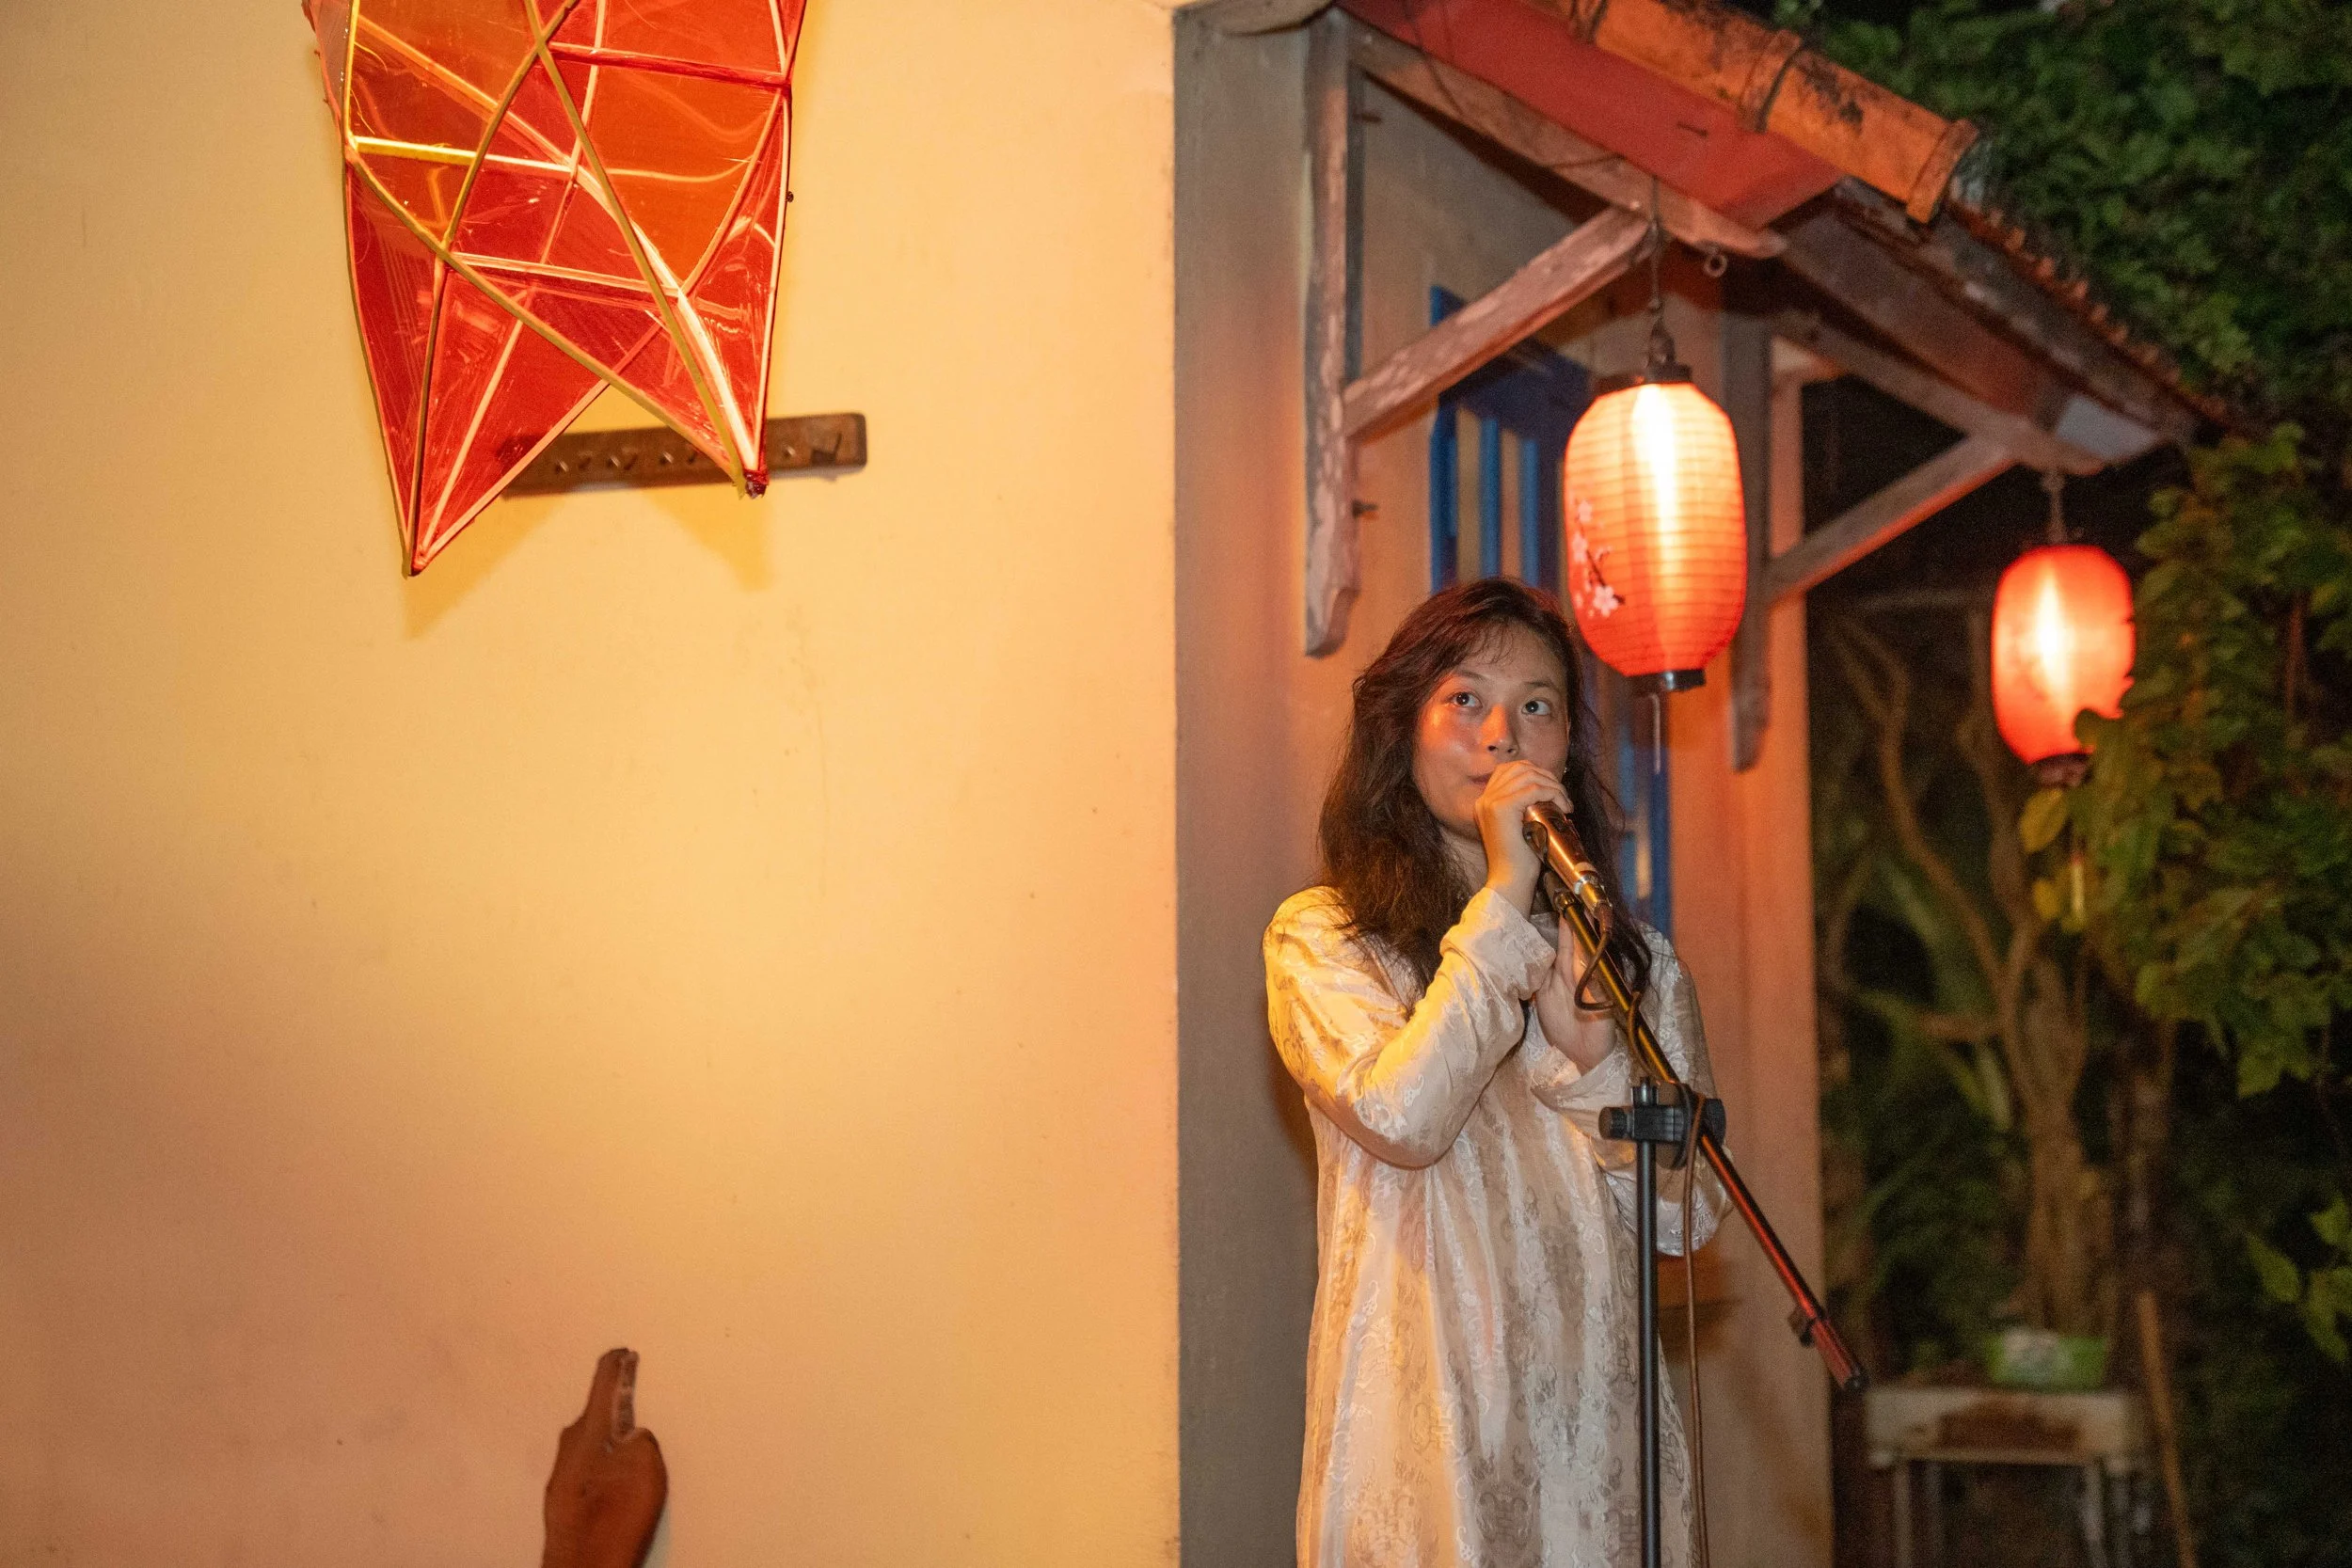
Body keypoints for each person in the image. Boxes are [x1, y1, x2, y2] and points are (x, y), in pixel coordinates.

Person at [1264, 577, 1724, 1568]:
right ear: (1405, 733)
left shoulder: (1633, 962)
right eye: (1464, 699)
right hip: (1423, 1434)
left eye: (1537, 706)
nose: (1502, 734)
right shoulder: (1328, 941)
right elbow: (1403, 1113)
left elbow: (1687, 1217)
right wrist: (1509, 899)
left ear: (1566, 749)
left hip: (1595, 1432)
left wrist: (1596, 1054)